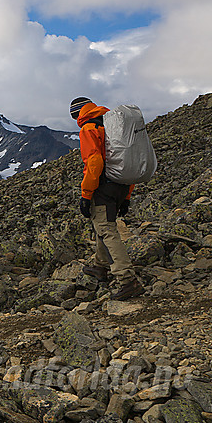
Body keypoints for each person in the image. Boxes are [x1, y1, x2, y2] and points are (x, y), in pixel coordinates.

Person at [70, 97, 145, 301]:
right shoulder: (113, 124)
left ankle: (127, 280)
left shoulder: (89, 128)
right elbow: (128, 160)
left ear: (76, 113)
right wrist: (127, 195)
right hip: (121, 184)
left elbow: (94, 162)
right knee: (102, 227)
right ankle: (99, 266)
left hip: (103, 188)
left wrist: (86, 195)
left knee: (107, 230)